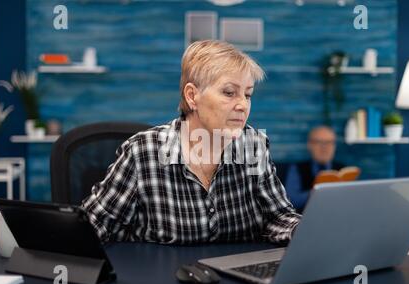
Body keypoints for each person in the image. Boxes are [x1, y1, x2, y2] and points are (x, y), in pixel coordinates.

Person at [82, 40, 301, 245]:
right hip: (159, 278)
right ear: (192, 96)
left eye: (248, 94)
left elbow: (278, 216)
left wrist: (302, 230)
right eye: (229, 92)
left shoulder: (254, 145)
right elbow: (92, 226)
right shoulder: (142, 152)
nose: (243, 105)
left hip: (237, 278)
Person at [285, 126, 344, 213]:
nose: (324, 147)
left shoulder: (343, 170)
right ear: (309, 145)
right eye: (319, 142)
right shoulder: (297, 169)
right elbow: (291, 201)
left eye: (329, 142)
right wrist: (317, 192)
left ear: (334, 146)